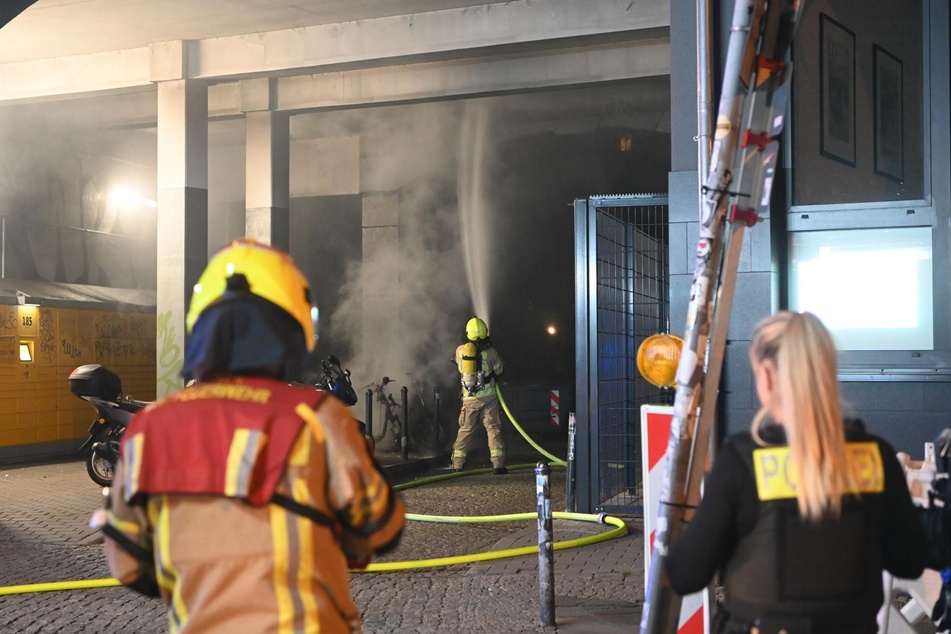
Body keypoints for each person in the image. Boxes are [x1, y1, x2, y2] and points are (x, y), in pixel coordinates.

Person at [92, 239, 405, 633]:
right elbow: (382, 527)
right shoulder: (319, 420)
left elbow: (128, 563)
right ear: (292, 327)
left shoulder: (149, 428)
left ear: (202, 325)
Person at [665, 311, 927, 634]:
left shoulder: (742, 462)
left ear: (768, 376)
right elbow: (910, 561)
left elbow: (685, 573)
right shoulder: (878, 457)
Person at [450, 316, 507, 474]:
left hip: (469, 399)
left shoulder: (460, 351)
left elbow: (458, 366)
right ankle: (498, 465)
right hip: (489, 398)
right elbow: (500, 371)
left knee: (466, 430)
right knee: (493, 429)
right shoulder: (491, 353)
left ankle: (457, 465)